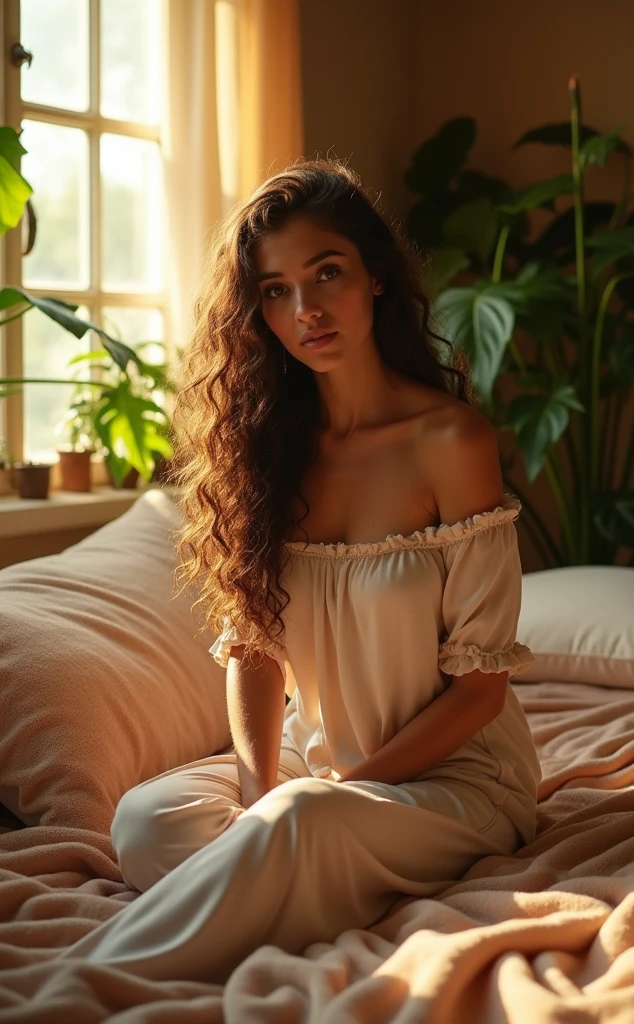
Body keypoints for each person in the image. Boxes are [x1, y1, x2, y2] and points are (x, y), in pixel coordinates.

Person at [57, 157, 541, 985]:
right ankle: (292, 861)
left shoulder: (451, 441)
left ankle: (74, 984)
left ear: (376, 278)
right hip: (319, 776)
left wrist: (328, 795)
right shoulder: (267, 454)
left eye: (327, 274)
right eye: (276, 290)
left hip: (458, 779)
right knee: (145, 820)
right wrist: (257, 792)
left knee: (305, 821)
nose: (307, 309)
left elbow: (481, 686)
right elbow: (254, 650)